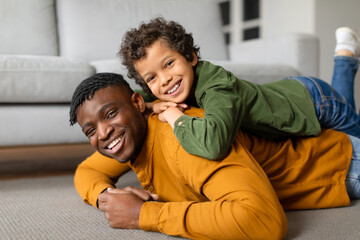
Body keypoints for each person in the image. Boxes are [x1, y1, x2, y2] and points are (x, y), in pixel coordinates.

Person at [69, 72, 360, 240]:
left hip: (345, 164)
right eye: (90, 130)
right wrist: (107, 197)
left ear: (138, 104)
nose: (103, 133)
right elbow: (86, 172)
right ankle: (344, 65)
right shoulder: (126, 137)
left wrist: (143, 214)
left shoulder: (185, 141)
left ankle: (343, 67)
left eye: (110, 114)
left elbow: (264, 221)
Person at [119, 17, 360, 160]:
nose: (164, 81)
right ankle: (345, 56)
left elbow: (213, 144)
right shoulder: (167, 86)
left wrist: (173, 115)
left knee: (354, 137)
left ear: (190, 57)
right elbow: (134, 99)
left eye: (169, 64)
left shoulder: (216, 85)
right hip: (287, 90)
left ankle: (345, 58)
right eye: (151, 78)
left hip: (314, 101)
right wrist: (151, 103)